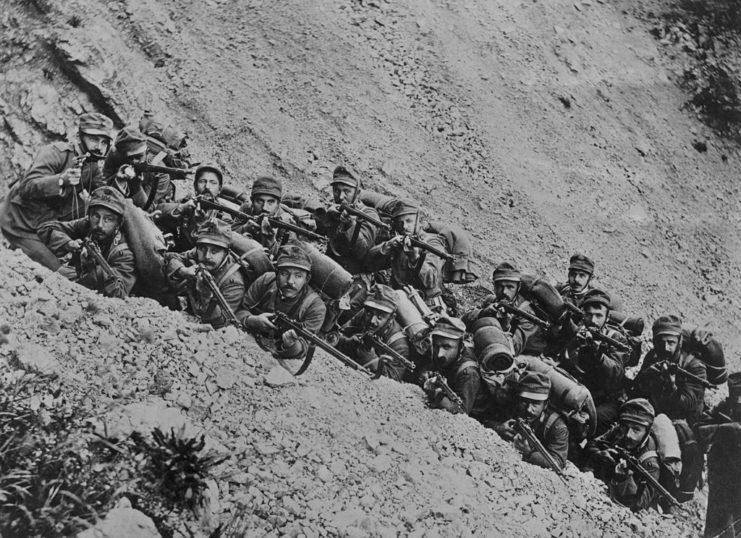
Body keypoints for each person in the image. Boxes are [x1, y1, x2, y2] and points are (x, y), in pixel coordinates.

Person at [0, 112, 113, 270]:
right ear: (80, 137)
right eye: (94, 139)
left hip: (50, 218)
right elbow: (27, 186)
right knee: (57, 269)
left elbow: (104, 192)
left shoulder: (91, 165)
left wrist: (122, 184)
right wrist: (61, 180)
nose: (99, 147)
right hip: (21, 221)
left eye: (104, 142)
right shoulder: (56, 153)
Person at [37, 186, 135, 299]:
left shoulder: (123, 253)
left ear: (119, 223)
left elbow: (120, 294)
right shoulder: (86, 224)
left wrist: (90, 267)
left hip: (106, 293)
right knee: (58, 275)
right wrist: (68, 244)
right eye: (96, 216)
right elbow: (45, 228)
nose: (100, 225)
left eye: (108, 219)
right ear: (89, 216)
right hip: (86, 275)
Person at [236, 243, 326, 361]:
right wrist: (252, 320)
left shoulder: (315, 306)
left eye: (298, 276)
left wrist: (291, 345)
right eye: (284, 274)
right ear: (277, 273)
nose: (290, 281)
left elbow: (304, 348)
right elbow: (238, 310)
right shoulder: (266, 281)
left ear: (307, 279)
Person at [557, 289, 628, 434]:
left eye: (598, 316)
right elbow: (563, 359)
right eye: (589, 315)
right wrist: (574, 344)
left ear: (607, 318)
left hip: (605, 400)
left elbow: (616, 373)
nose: (593, 320)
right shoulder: (578, 331)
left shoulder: (615, 338)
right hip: (579, 392)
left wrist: (597, 354)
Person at [365, 200, 448, 313]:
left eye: (409, 221)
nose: (404, 227)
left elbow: (431, 281)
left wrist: (415, 258)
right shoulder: (398, 242)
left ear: (419, 221)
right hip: (398, 300)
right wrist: (386, 246)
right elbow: (368, 264)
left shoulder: (432, 243)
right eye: (400, 223)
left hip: (426, 305)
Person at [164, 219, 246, 329]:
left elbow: (221, 324)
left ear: (226, 253)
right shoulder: (198, 252)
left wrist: (206, 297)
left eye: (215, 251)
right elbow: (171, 257)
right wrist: (183, 271)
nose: (207, 256)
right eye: (203, 248)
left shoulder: (234, 283)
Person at [584, 399, 661, 512]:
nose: (628, 435)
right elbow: (592, 444)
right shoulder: (618, 431)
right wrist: (599, 455)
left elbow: (640, 505)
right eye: (625, 427)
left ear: (647, 432)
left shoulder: (650, 463)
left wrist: (624, 479)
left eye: (636, 430)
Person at [631, 315, 707, 426]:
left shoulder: (695, 367)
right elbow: (636, 390)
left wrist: (671, 388)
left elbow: (687, 407)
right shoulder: (653, 356)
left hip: (682, 424)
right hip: (653, 415)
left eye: (671, 343)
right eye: (661, 343)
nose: (665, 348)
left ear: (680, 341)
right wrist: (646, 376)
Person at [462, 262, 547, 356]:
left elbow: (514, 349)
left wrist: (505, 327)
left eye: (510, 287)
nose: (504, 292)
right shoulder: (492, 300)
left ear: (518, 287)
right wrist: (483, 313)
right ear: (494, 287)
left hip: (526, 356)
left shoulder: (527, 313)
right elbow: (463, 322)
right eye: (500, 286)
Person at [336, 284, 412, 382]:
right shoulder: (362, 315)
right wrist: (348, 342)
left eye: (380, 317)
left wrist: (370, 358)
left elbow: (392, 381)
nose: (372, 320)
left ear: (391, 318)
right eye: (369, 313)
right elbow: (339, 334)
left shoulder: (398, 345)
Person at [697, 372, 741, 538]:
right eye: (736, 398)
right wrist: (723, 431)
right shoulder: (725, 407)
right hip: (722, 475)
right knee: (717, 525)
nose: (739, 402)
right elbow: (701, 427)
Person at [496, 371, 569, 471]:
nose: (529, 409)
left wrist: (529, 453)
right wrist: (499, 428)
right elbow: (481, 419)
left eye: (536, 403)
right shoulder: (512, 406)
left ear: (546, 404)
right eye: (524, 402)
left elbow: (558, 463)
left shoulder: (557, 427)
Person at [156, 163, 232, 250]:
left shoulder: (223, 215)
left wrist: (202, 224)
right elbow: (157, 211)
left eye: (213, 183)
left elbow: (212, 250)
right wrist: (182, 208)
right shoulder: (186, 202)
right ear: (195, 186)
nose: (207, 186)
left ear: (219, 189)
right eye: (202, 181)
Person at [421, 316, 484, 415]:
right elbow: (427, 368)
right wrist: (425, 375)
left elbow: (461, 412)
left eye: (446, 347)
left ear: (461, 347)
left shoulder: (469, 373)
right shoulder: (444, 356)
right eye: (436, 346)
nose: (439, 354)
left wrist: (436, 394)